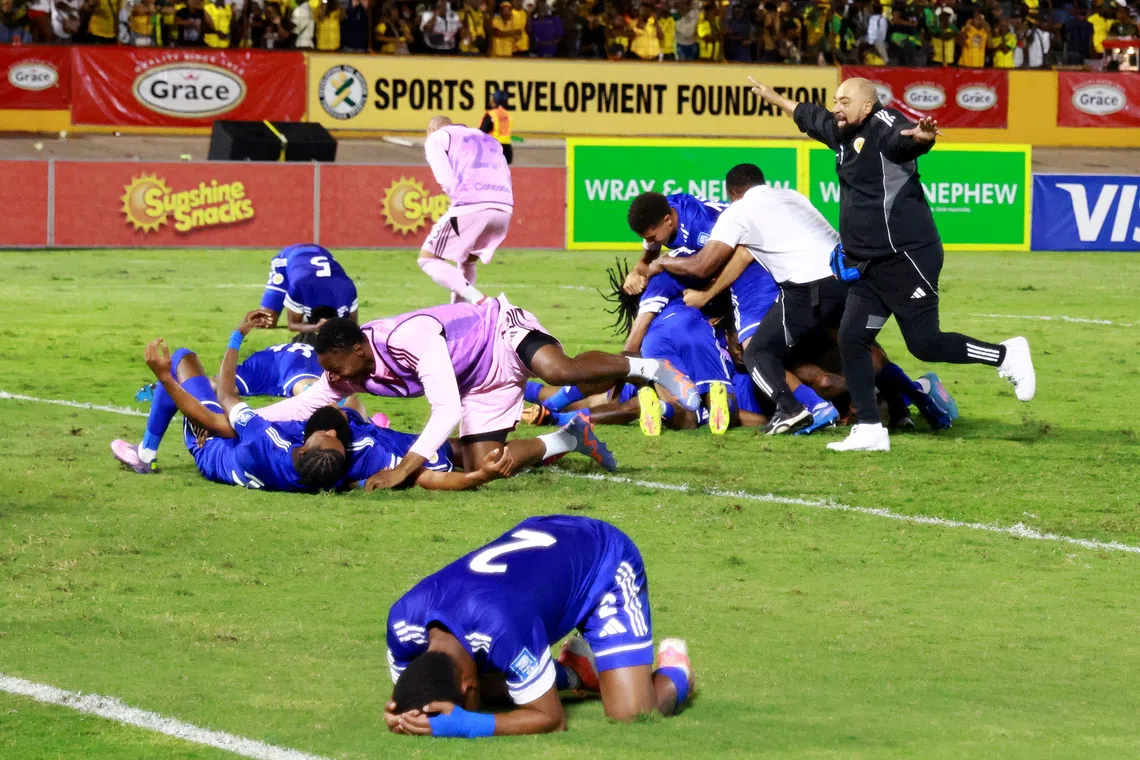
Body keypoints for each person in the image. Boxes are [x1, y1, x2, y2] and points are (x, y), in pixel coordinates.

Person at [747, 76, 1035, 452]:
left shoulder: (883, 125)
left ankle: (1005, 354)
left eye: (846, 101)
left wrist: (922, 137)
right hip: (869, 266)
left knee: (925, 343)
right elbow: (808, 115)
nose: (837, 106)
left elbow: (903, 141)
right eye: (836, 99)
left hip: (908, 258)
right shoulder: (839, 131)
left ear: (868, 107)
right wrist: (772, 95)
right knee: (852, 339)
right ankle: (870, 428)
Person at [252, 298, 701, 488]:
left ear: (356, 348)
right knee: (480, 464)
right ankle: (569, 438)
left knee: (561, 372)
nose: (331, 376)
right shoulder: (346, 373)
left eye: (333, 366)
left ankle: (649, 367)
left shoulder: (407, 338)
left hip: (500, 333)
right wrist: (245, 423)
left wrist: (404, 471)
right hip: (480, 382)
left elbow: (445, 409)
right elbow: (303, 403)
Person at [383, 515, 694, 738]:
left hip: (603, 560)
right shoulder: (400, 622)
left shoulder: (502, 630)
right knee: (507, 689)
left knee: (632, 713)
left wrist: (469, 725)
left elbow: (552, 719)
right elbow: (417, 686)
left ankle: (678, 672)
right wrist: (401, 711)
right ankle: (576, 670)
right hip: (542, 547)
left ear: (469, 686)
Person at [628, 184, 839, 436]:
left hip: (753, 277)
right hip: (792, 276)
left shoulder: (701, 228)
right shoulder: (665, 208)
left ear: (668, 221)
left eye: (653, 238)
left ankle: (813, 406)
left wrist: (722, 314)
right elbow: (652, 253)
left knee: (754, 351)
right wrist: (640, 267)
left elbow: (728, 259)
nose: (652, 244)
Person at [417, 115, 513, 304]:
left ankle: (480, 301)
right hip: (504, 207)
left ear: (430, 131)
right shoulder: (487, 138)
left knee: (428, 258)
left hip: (471, 205)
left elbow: (445, 178)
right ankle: (460, 313)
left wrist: (458, 200)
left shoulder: (437, 138)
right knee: (467, 260)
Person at [259, 244, 358, 336]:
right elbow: (292, 324)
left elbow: (353, 325)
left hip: (318, 256)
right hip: (289, 257)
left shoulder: (348, 288)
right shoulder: (299, 287)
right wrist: (315, 328)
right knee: (266, 321)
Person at [479, 90, 514, 166]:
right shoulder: (507, 115)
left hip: (493, 148)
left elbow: (481, 133)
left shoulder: (491, 114)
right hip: (507, 149)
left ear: (495, 100)